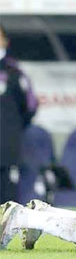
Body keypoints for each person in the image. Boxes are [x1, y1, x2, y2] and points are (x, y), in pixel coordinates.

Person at [0, 25, 38, 203]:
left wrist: (9, 128)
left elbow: (30, 106)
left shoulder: (14, 72)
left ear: (5, 41)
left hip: (6, 149)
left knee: (7, 200)